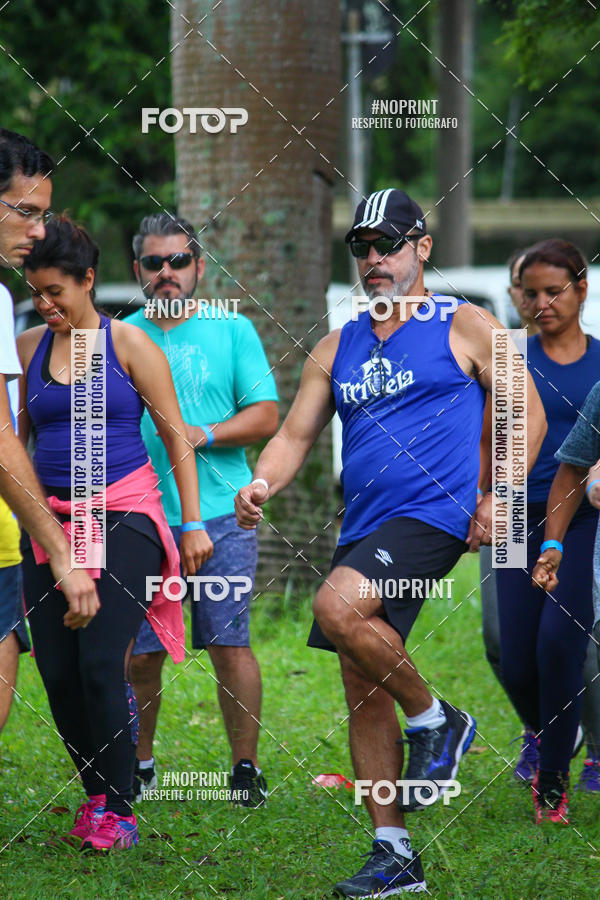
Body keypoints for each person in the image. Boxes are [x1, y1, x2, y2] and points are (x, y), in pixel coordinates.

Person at [235, 189, 546, 896]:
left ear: (422, 248)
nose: (374, 258)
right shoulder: (336, 345)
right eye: (363, 247)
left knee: (336, 607)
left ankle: (440, 719)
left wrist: (499, 494)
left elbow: (524, 410)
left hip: (434, 514)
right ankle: (394, 852)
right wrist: (261, 484)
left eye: (389, 244)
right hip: (365, 524)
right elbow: (294, 435)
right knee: (361, 680)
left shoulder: (467, 323)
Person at [16, 216, 212, 850]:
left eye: (55, 291)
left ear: (88, 280)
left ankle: (119, 808)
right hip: (50, 521)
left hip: (124, 515)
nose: (46, 305)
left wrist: (192, 522)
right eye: (35, 293)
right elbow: (17, 442)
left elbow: (176, 436)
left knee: (102, 663)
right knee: (58, 671)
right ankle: (97, 793)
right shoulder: (27, 347)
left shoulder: (127, 343)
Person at [125, 213, 278, 807]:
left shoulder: (231, 328)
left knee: (228, 643)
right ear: (137, 269)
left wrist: (201, 434)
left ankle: (245, 768)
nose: (167, 272)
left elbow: (265, 416)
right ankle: (138, 766)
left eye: (179, 261)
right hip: (142, 518)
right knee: (140, 653)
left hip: (221, 515)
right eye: (154, 262)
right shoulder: (120, 336)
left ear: (199, 267)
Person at [493, 239, 600, 825]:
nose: (541, 303)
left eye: (554, 291)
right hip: (513, 514)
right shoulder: (509, 357)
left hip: (582, 517)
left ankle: (553, 780)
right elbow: (484, 434)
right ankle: (555, 730)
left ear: (581, 288)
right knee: (515, 659)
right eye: (530, 293)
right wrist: (481, 499)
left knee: (559, 643)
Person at [0, 130, 99, 738]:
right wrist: (63, 552)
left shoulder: (116, 343)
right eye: (26, 212)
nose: (38, 231)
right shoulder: (26, 336)